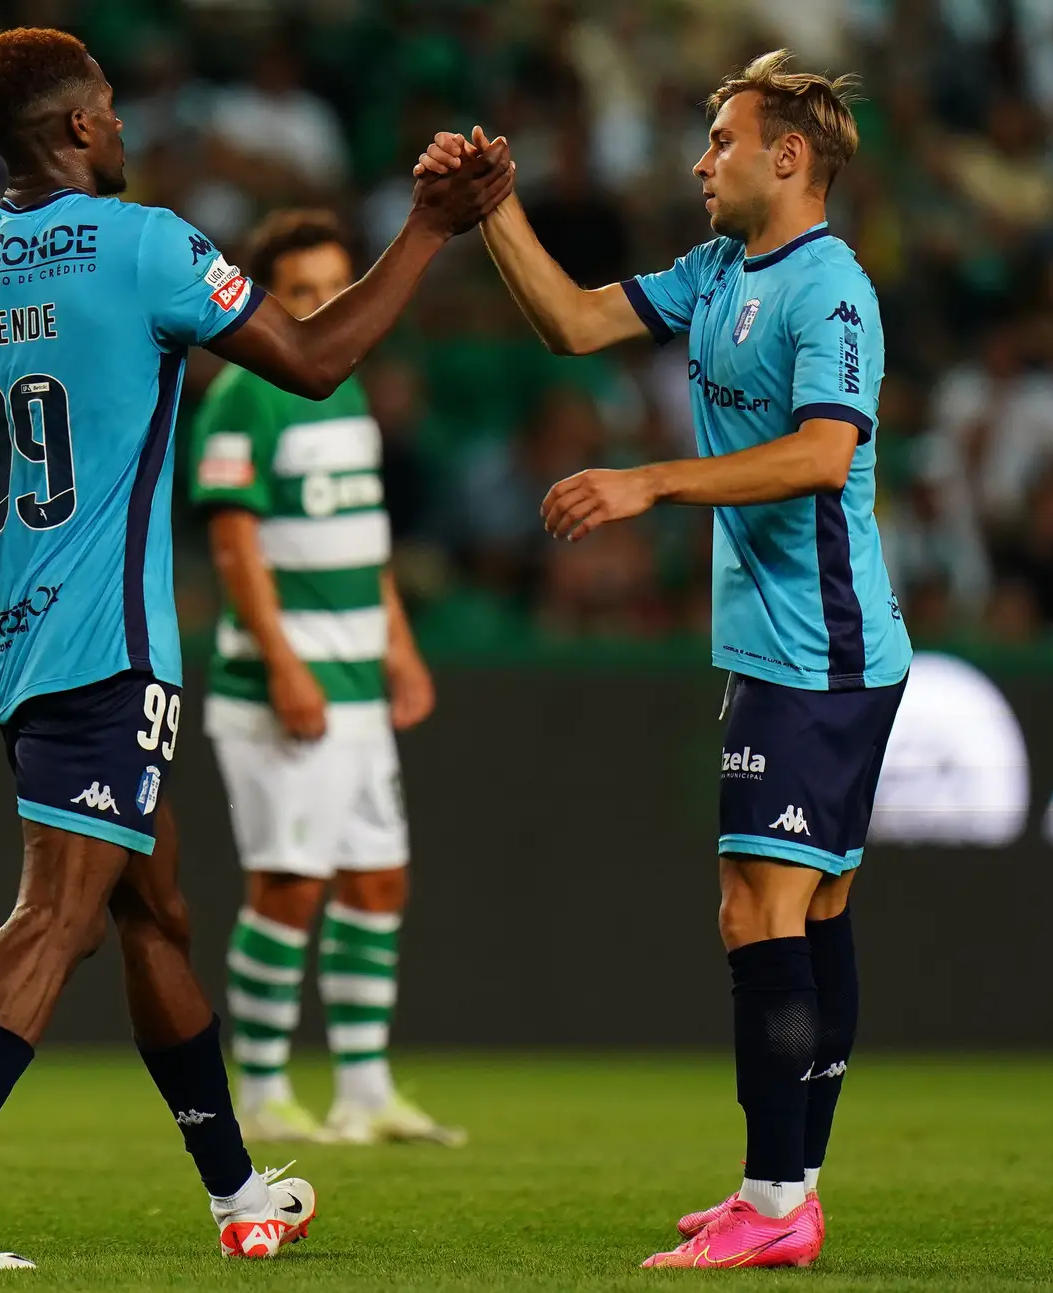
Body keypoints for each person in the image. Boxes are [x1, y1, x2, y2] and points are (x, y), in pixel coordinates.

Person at [0, 26, 512, 1270]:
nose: (122, 126)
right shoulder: (143, 246)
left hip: (7, 638)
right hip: (104, 641)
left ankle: (236, 1194)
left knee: (156, 912)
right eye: (111, 108)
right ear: (73, 127)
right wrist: (432, 231)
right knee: (63, 907)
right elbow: (318, 358)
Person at [419, 48, 910, 1269]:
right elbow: (575, 322)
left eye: (725, 143)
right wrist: (495, 213)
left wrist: (648, 481)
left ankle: (777, 1198)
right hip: (785, 643)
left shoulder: (832, 290)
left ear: (788, 157)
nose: (702, 163)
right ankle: (790, 1190)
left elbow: (819, 456)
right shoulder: (718, 271)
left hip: (823, 648)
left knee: (759, 911)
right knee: (812, 912)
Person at [187, 209, 460, 1148]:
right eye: (300, 293)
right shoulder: (240, 396)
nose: (322, 309)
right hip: (281, 684)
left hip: (356, 679)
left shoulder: (343, 392)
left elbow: (361, 541)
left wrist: (400, 645)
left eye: (335, 290)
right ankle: (259, 1089)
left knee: (378, 878)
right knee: (290, 883)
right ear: (264, 300)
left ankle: (364, 1088)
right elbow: (232, 545)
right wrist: (285, 666)